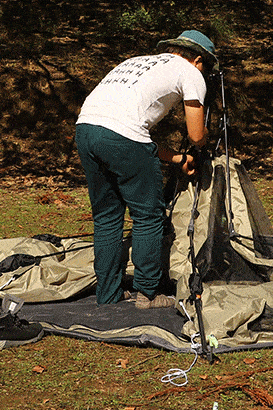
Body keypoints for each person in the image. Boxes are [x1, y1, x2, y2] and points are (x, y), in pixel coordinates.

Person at [75, 30, 219, 308]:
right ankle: (148, 293)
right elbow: (196, 135)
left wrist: (176, 158)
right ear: (199, 60)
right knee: (149, 216)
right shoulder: (190, 72)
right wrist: (204, 139)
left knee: (107, 217)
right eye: (206, 68)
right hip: (121, 136)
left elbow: (126, 132)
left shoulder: (137, 62)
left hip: (86, 130)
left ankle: (108, 294)